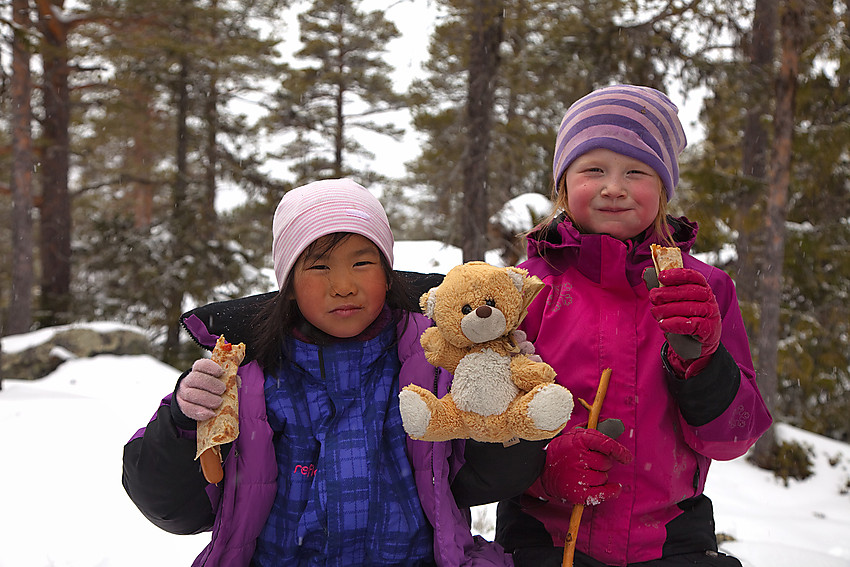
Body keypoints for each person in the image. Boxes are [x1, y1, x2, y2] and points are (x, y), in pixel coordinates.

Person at [122, 178, 534, 566]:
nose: (343, 285)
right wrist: (181, 419)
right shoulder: (243, 372)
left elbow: (486, 480)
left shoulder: (438, 355)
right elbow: (175, 508)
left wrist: (503, 394)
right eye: (319, 267)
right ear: (288, 280)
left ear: (387, 271)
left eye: (362, 262)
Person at [492, 85, 773, 567]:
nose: (613, 187)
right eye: (593, 169)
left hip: (672, 543)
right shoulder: (522, 289)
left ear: (663, 187)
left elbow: (731, 439)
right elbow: (485, 426)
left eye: (637, 171)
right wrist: (540, 468)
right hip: (545, 539)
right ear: (563, 182)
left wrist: (704, 362)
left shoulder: (703, 287)